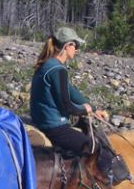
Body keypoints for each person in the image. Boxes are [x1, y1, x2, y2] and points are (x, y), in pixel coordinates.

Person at [29, 26, 109, 159]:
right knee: (91, 147)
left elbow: (71, 91)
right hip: (54, 126)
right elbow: (67, 106)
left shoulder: (47, 65)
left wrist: (93, 109)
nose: (77, 50)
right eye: (75, 45)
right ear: (67, 45)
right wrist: (83, 110)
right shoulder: (58, 70)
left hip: (42, 120)